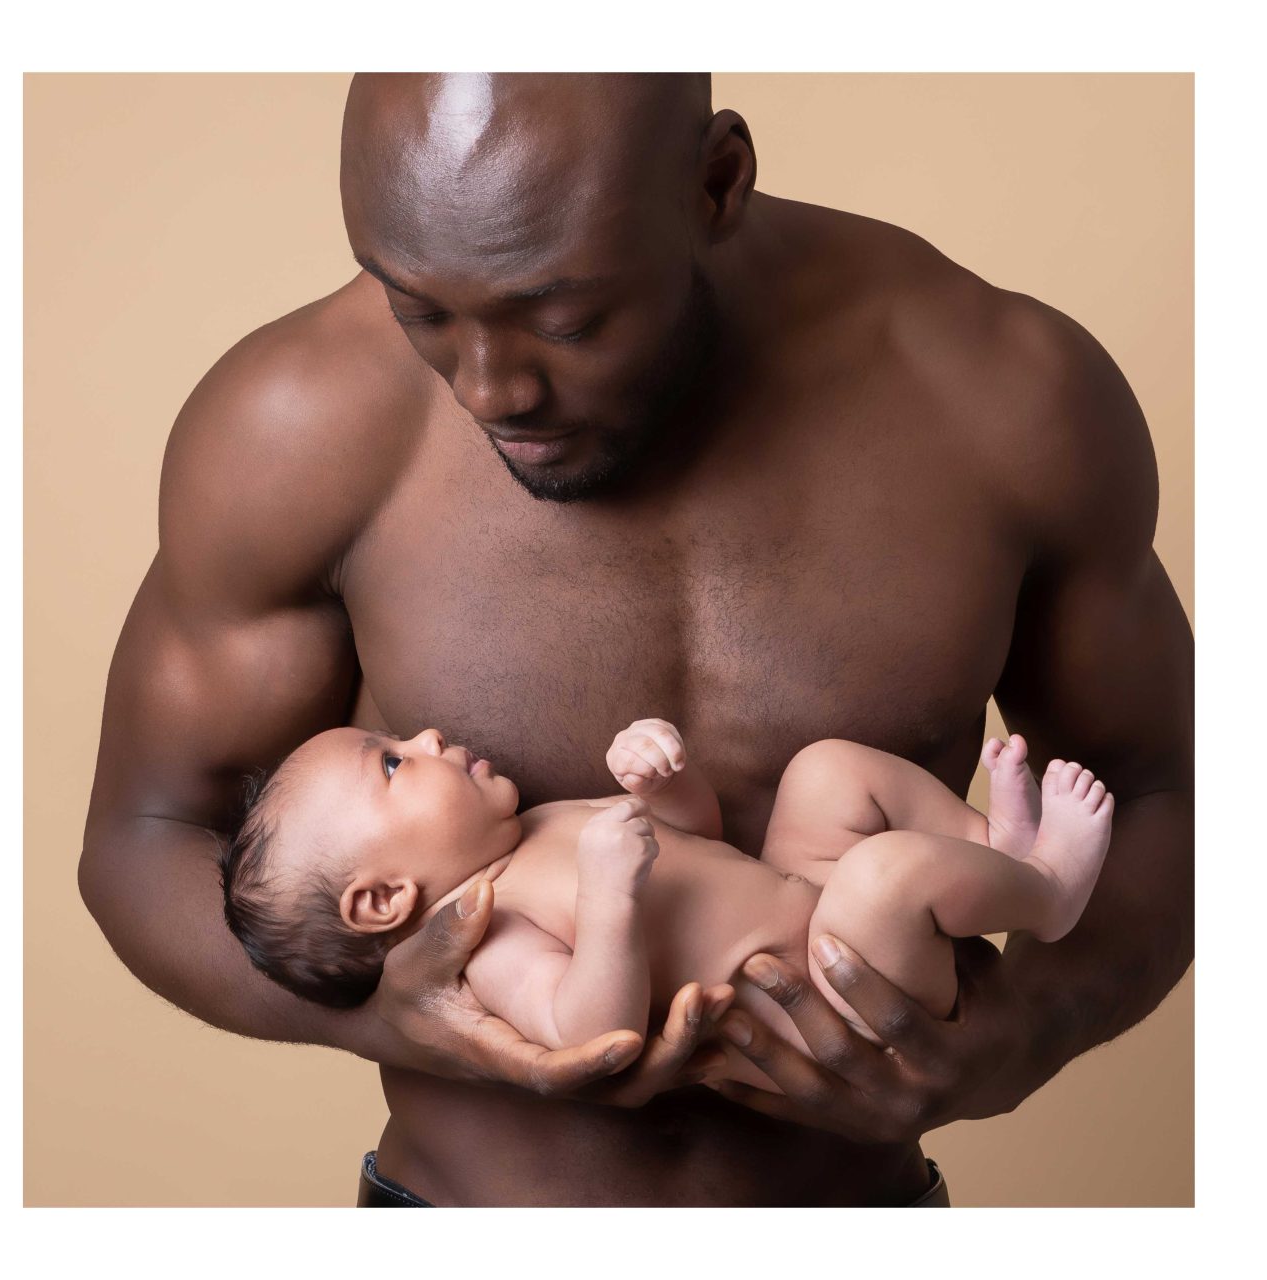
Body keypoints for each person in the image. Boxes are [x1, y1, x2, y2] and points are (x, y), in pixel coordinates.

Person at [77, 73, 1192, 1206]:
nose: (489, 386)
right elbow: (144, 835)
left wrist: (1032, 1031)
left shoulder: (1003, 395)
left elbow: (1168, 788)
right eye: (416, 310)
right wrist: (403, 1018)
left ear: (713, 184)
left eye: (565, 318)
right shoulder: (296, 426)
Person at [222, 721, 1109, 1079]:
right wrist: (609, 898)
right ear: (383, 901)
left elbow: (704, 850)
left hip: (803, 895)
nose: (423, 735)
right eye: (390, 761)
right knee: (885, 875)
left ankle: (994, 848)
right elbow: (589, 1034)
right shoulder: (492, 946)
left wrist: (666, 787)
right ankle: (1050, 897)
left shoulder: (541, 821)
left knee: (828, 771)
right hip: (830, 998)